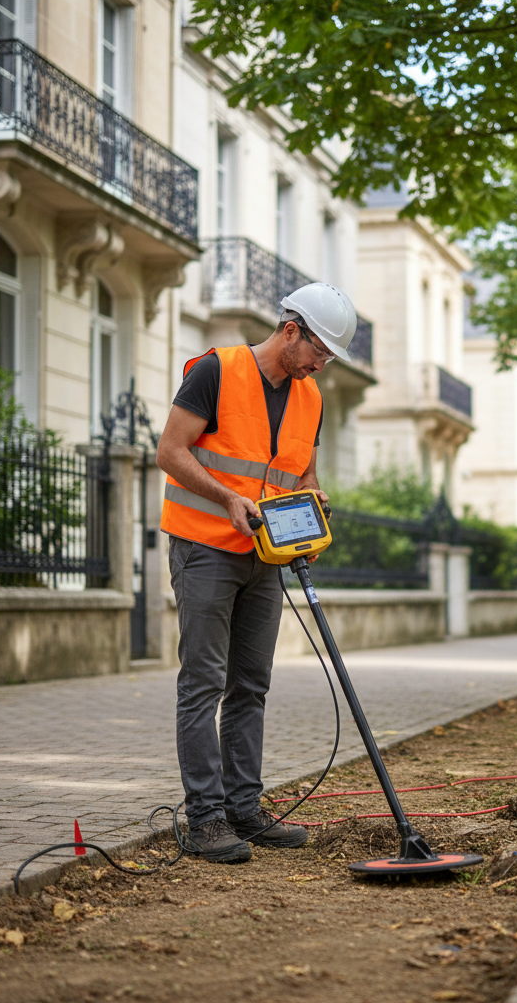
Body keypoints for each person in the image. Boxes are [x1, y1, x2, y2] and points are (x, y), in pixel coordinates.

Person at [157, 282, 357, 863]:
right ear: (291, 330)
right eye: (319, 351)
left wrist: (313, 506)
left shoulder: (310, 397)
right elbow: (171, 451)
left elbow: (303, 474)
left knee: (251, 684)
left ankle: (243, 808)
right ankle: (205, 819)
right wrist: (226, 498)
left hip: (266, 556)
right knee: (204, 682)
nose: (321, 365)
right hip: (204, 549)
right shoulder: (215, 371)